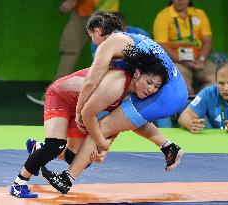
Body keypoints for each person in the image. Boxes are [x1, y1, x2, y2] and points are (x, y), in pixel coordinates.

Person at [39, 11, 187, 194]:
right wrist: (105, 145)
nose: (93, 43)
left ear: (98, 30)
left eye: (91, 36)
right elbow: (119, 113)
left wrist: (79, 112)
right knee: (124, 117)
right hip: (176, 88)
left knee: (99, 128)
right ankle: (168, 146)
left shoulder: (110, 44)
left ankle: (67, 179)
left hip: (161, 91)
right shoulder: (133, 40)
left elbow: (90, 82)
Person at [9, 45, 172, 198]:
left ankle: (39, 149)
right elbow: (88, 115)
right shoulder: (117, 84)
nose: (151, 89)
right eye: (149, 82)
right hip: (61, 97)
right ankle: (19, 183)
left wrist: (103, 150)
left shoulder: (133, 95)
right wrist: (102, 144)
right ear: (136, 73)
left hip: (81, 107)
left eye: (156, 86)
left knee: (78, 159)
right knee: (55, 144)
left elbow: (114, 124)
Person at [26, 0, 119, 106]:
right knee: (107, 52)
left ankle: (54, 96)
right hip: (99, 11)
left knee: (71, 51)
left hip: (93, 11)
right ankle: (111, 97)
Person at [153, 0, 217, 95]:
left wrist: (201, 60)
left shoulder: (199, 14)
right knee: (185, 88)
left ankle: (201, 103)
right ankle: (191, 107)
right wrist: (183, 61)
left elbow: (207, 40)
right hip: (176, 61)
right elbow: (161, 44)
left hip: (199, 59)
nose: (180, 1)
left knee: (218, 82)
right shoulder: (163, 16)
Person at [178, 62, 228, 133]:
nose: (226, 88)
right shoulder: (209, 93)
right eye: (221, 83)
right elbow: (184, 116)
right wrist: (190, 123)